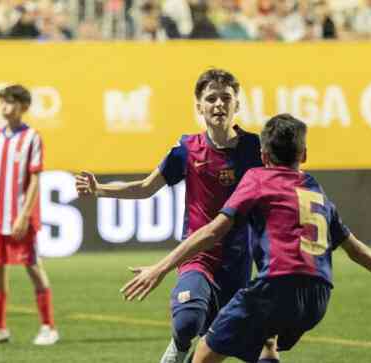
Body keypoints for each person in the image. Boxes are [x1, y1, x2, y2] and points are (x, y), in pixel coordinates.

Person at [121, 113, 371, 363]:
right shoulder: (314, 188)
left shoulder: (256, 178)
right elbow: (353, 248)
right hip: (318, 296)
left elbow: (213, 231)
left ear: (263, 157)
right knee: (267, 341)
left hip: (276, 286)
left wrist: (159, 269)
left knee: (204, 352)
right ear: (304, 155)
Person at [75, 68, 269, 363]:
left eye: (226, 98)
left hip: (239, 262)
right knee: (187, 322)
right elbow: (144, 188)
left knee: (234, 346)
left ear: (237, 105)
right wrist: (99, 189)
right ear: (199, 107)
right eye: (211, 98)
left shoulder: (256, 149)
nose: (219, 104)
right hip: (197, 256)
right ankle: (179, 346)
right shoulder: (187, 149)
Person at [0, 84, 58, 346]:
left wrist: (24, 215)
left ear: (23, 107)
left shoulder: (32, 137)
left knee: (33, 267)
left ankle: (48, 327)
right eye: (2, 102)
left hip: (18, 218)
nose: (5, 107)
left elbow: (35, 180)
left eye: (10, 102)